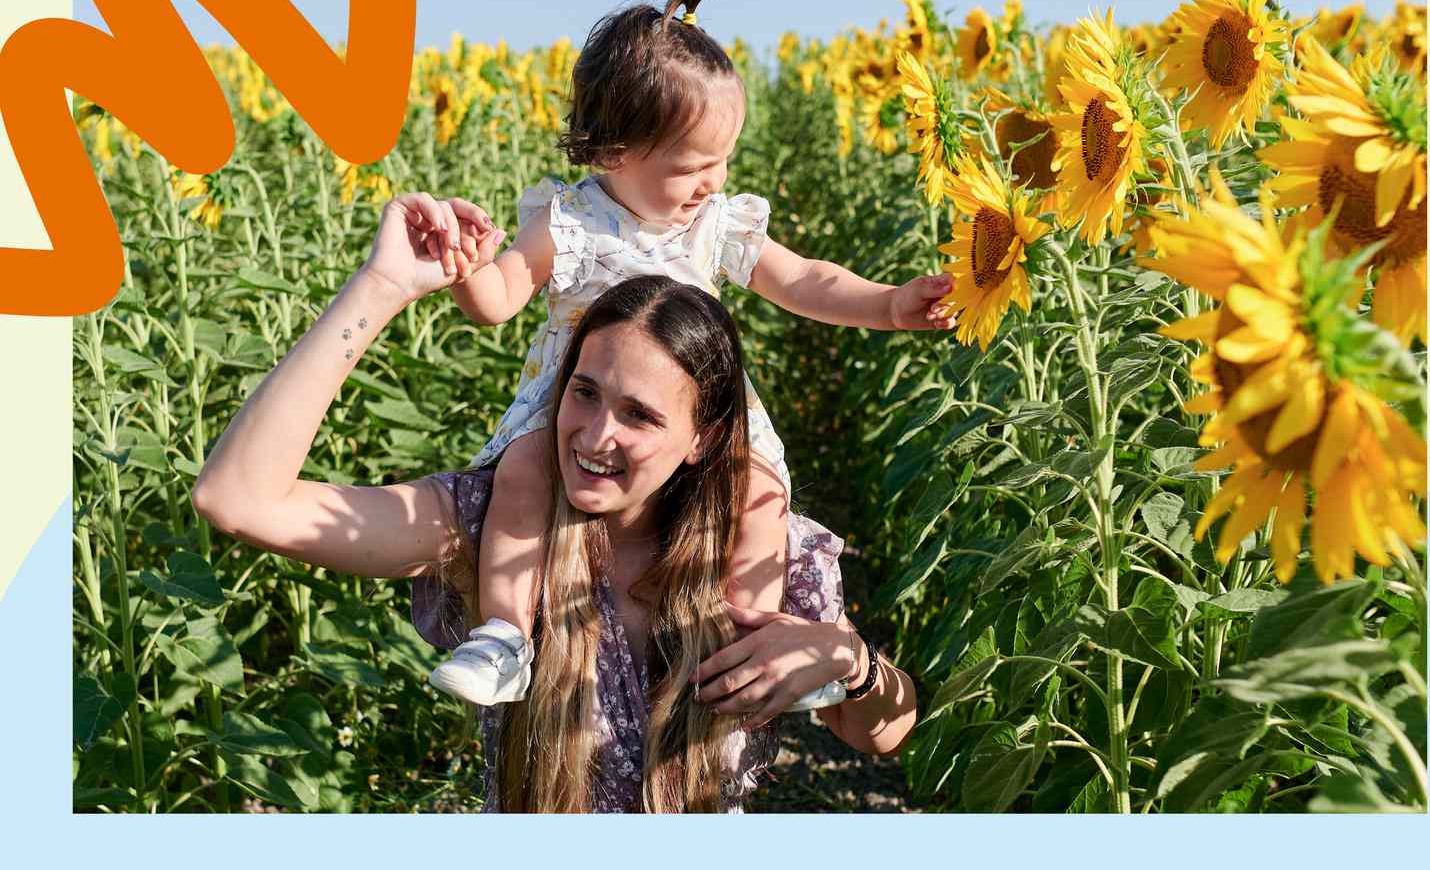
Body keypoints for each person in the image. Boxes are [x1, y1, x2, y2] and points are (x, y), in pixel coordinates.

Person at [191, 194, 918, 812]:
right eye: (584, 392)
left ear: (704, 437)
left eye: (640, 415)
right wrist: (382, 284)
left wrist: (851, 659)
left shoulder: (760, 549)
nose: (596, 435)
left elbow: (886, 730)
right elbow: (239, 498)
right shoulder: (494, 526)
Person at [421, 0, 955, 711]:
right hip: (583, 406)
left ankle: (759, 630)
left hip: (694, 408)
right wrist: (467, 268)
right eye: (694, 165)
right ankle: (506, 632)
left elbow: (801, 279)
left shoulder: (712, 222)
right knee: (520, 475)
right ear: (615, 150)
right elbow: (501, 295)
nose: (714, 181)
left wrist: (891, 304)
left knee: (760, 488)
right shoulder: (570, 220)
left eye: (724, 161)